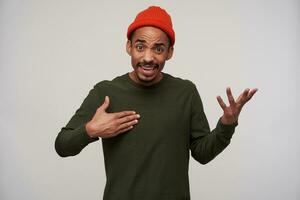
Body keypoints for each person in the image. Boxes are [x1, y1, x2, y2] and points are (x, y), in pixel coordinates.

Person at [55, 6, 257, 200]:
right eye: (140, 47)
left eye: (158, 49)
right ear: (128, 47)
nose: (148, 57)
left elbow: (202, 153)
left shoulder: (185, 92)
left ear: (169, 52)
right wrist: (90, 130)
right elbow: (62, 145)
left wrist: (227, 125)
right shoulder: (106, 92)